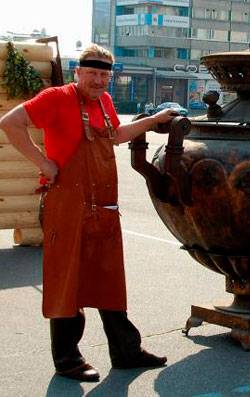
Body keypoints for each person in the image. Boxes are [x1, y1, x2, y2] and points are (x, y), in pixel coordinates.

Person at [0, 44, 176, 382]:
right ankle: (67, 360)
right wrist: (42, 162)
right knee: (68, 280)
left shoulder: (105, 102)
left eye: (104, 75)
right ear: (78, 73)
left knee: (109, 277)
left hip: (103, 207)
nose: (98, 81)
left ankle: (126, 351)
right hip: (66, 205)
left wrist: (153, 121)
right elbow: (11, 123)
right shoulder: (56, 97)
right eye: (92, 74)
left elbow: (116, 136)